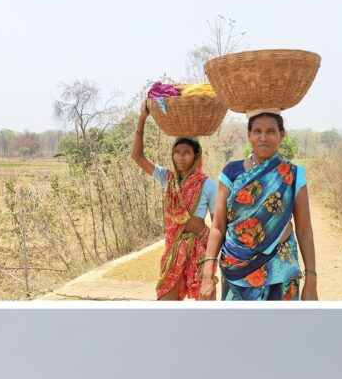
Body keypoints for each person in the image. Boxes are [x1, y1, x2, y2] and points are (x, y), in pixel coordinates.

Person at [199, 112, 318, 302]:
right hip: (236, 271)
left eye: (271, 131)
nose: (263, 137)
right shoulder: (232, 172)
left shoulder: (292, 175)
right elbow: (218, 227)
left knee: (281, 331)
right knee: (238, 330)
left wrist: (311, 279)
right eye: (257, 131)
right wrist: (207, 275)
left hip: (282, 272)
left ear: (282, 135)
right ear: (249, 135)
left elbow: (304, 231)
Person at [132, 105, 219, 300]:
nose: (180, 157)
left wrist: (210, 261)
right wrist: (142, 118)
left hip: (200, 253)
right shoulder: (167, 178)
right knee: (166, 306)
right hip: (173, 253)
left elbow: (217, 226)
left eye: (186, 152)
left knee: (207, 313)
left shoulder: (208, 185)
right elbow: (137, 157)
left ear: (196, 156)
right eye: (176, 152)